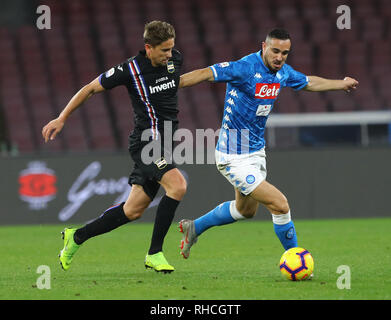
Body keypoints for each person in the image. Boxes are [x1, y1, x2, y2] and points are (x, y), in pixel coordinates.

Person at [178, 28, 359, 259]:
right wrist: (173, 84)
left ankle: (195, 227)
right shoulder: (244, 68)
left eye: (285, 53)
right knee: (280, 204)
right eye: (275, 51)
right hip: (232, 155)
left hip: (255, 152)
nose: (279, 57)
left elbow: (308, 82)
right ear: (264, 47)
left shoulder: (282, 72)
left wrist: (340, 84)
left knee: (244, 210)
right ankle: (296, 258)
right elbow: (206, 73)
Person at [42, 21, 187, 273]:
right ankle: (155, 253)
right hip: (146, 143)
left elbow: (177, 83)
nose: (169, 54)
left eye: (172, 48)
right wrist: (62, 117)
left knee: (132, 211)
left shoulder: (175, 60)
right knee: (177, 185)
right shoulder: (129, 69)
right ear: (148, 48)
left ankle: (76, 237)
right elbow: (90, 89)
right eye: (164, 50)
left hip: (165, 144)